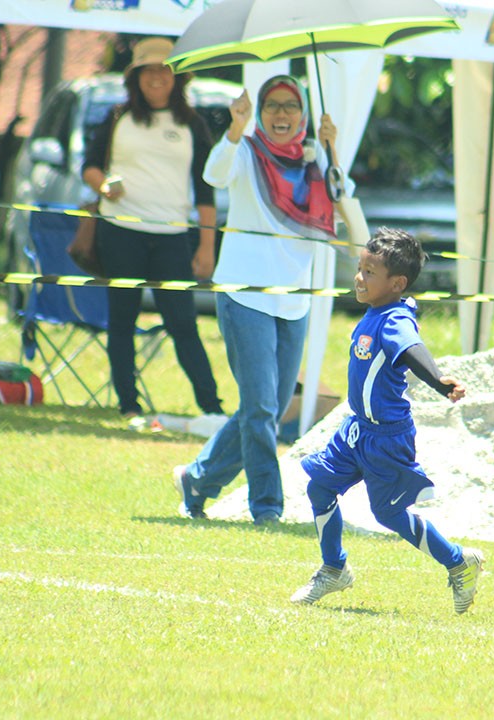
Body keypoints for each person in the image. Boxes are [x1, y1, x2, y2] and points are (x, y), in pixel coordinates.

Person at [172, 74, 346, 525]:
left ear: (304, 115)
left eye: (291, 106)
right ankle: (267, 506)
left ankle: (198, 479)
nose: (282, 114)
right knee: (263, 408)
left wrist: (333, 150)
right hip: (246, 293)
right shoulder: (246, 151)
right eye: (273, 106)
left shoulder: (314, 161)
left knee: (263, 408)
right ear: (261, 112)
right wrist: (237, 126)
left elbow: (345, 204)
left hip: (295, 300)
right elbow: (212, 175)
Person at [290, 228, 483, 613]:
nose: (359, 278)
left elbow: (412, 350)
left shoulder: (395, 318)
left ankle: (459, 561)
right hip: (355, 430)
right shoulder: (376, 312)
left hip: (387, 438)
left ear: (397, 283)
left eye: (369, 273)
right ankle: (333, 568)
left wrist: (439, 381)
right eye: (360, 269)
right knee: (320, 489)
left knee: (389, 513)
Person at [82, 37, 225, 423]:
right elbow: (90, 167)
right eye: (148, 70)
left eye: (165, 69)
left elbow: (205, 189)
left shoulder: (193, 124)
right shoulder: (117, 117)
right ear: (136, 78)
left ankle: (212, 407)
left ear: (177, 78)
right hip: (119, 231)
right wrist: (104, 185)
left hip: (173, 238)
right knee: (122, 321)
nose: (157, 77)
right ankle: (128, 404)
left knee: (182, 323)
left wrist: (207, 247)